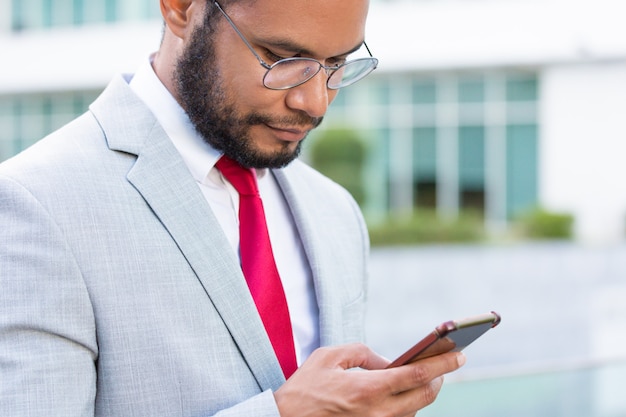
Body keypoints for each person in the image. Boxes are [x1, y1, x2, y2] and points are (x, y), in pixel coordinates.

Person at [0, 0, 465, 416]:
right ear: (180, 8)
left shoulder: (335, 210)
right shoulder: (35, 203)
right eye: (283, 59)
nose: (315, 102)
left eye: (336, 64)